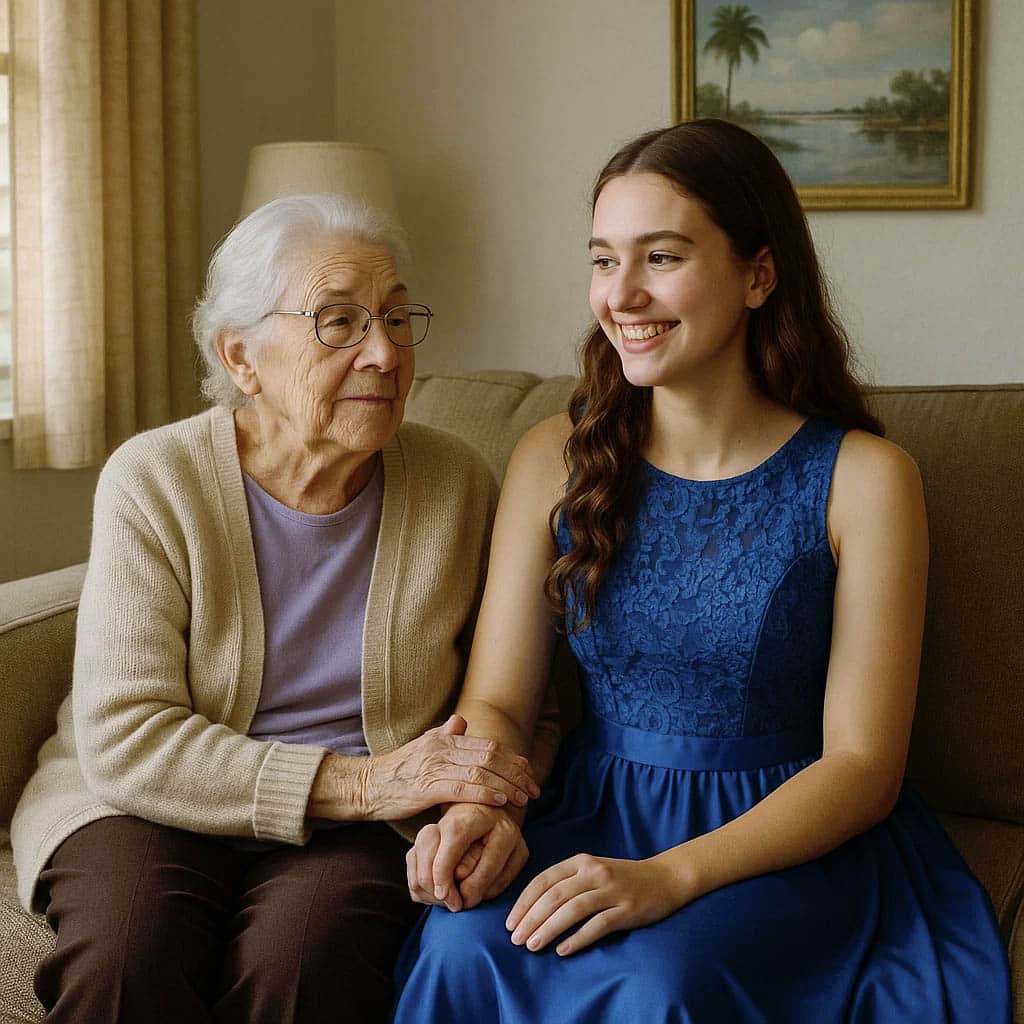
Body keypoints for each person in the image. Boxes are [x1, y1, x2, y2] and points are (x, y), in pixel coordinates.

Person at [392, 120, 1012, 1021]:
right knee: (458, 945)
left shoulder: (867, 481)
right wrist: (488, 810)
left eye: (663, 257)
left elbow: (865, 764)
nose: (623, 294)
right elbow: (500, 702)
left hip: (783, 840)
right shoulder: (548, 457)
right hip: (592, 816)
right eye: (604, 261)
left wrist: (670, 877)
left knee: (660, 981)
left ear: (759, 274)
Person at [10, 193, 551, 1024]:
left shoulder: (458, 485)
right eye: (339, 323)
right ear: (242, 357)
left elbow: (527, 695)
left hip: (362, 833)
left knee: (303, 970)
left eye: (398, 319)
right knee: (126, 960)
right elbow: (127, 738)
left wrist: (483, 801)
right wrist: (366, 782)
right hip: (143, 805)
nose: (384, 352)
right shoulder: (155, 479)